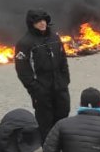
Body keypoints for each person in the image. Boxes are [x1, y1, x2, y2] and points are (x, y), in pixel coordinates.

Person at [14, 9, 70, 141]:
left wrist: (65, 80)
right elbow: (22, 70)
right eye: (38, 21)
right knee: (45, 120)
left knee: (63, 113)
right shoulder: (25, 43)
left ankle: (60, 143)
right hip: (41, 89)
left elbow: (63, 60)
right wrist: (35, 89)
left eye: (44, 20)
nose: (42, 23)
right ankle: (48, 148)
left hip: (60, 86)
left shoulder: (55, 38)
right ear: (31, 23)